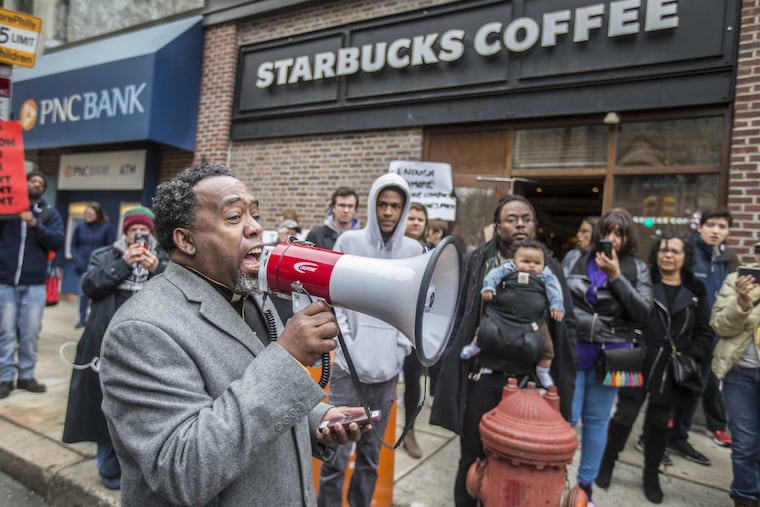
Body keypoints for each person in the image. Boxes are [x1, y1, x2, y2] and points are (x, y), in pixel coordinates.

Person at [99, 164, 366, 506]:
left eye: (254, 215)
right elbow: (182, 469)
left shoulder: (251, 298)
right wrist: (288, 357)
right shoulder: (141, 330)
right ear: (186, 240)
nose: (256, 228)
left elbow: (237, 392)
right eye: (234, 217)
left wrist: (316, 419)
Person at [431, 194, 578, 507]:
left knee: (519, 462)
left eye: (526, 218)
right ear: (497, 226)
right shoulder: (480, 260)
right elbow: (461, 311)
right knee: (471, 456)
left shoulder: (549, 265)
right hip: (483, 375)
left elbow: (566, 324)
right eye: (512, 219)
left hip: (529, 380)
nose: (520, 224)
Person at [317, 173, 422, 507]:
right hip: (349, 372)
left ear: (404, 209)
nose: (388, 212)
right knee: (336, 453)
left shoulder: (414, 249)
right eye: (382, 204)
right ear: (373, 204)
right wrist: (350, 349)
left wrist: (400, 350)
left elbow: (414, 310)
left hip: (386, 375)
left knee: (370, 455)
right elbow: (336, 301)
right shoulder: (350, 243)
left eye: (395, 205)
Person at [595, 233, 712, 503]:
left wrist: (691, 355)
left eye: (674, 251)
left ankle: (651, 475)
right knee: (624, 415)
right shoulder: (644, 280)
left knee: (660, 423)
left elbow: (705, 332)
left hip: (672, 368)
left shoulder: (696, 290)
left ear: (685, 257)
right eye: (663, 250)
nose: (667, 255)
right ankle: (607, 464)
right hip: (639, 359)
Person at [62, 206, 167, 490]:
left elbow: (181, 288)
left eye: (143, 231)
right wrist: (123, 263)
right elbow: (90, 286)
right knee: (105, 404)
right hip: (107, 341)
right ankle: (108, 466)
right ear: (126, 232)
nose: (138, 236)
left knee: (143, 407)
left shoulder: (165, 258)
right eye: (134, 231)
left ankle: (141, 466)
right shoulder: (106, 254)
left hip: (150, 345)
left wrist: (155, 267)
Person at [563, 207, 653, 505]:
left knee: (597, 421)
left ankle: (585, 486)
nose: (612, 239)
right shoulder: (576, 258)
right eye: (608, 232)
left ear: (628, 238)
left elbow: (642, 312)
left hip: (610, 356)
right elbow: (560, 298)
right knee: (567, 419)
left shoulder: (636, 269)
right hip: (574, 351)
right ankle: (557, 478)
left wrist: (616, 276)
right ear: (599, 232)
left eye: (620, 233)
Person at [669, 208, 738, 465]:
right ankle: (656, 437)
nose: (715, 231)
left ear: (728, 231)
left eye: (722, 226)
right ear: (701, 227)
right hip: (685, 334)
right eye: (711, 225)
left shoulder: (727, 261)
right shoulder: (688, 254)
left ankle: (679, 437)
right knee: (672, 387)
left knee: (695, 390)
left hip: (712, 338)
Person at [461, 240, 564, 389]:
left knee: (547, 348)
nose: (532, 266)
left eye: (537, 262)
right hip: (501, 315)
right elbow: (493, 276)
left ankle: (543, 370)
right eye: (526, 261)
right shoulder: (506, 269)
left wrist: (557, 306)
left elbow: (555, 291)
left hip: (533, 321)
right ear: (513, 261)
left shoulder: (547, 276)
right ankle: (475, 345)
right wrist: (488, 288)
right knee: (485, 328)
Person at [0, 171, 64, 398]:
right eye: (32, 181)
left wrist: (35, 224)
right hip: (6, 281)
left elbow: (57, 241)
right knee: (6, 332)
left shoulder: (48, 213)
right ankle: (5, 378)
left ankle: (26, 375)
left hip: (35, 284)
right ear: (23, 182)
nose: (36, 185)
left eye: (41, 183)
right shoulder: (6, 210)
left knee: (30, 332)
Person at [710, 238, 760, 507]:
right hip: (741, 373)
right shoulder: (737, 281)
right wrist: (741, 303)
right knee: (745, 443)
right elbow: (720, 325)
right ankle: (746, 497)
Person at [401, 201, 430, 459]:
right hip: (387, 327)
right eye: (411, 218)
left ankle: (409, 430)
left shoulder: (430, 253)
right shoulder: (391, 249)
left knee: (412, 381)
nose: (416, 222)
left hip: (412, 329)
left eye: (421, 219)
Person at [71, 202, 112, 328]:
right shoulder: (79, 227)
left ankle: (94, 318)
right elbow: (73, 246)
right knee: (83, 293)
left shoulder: (106, 227)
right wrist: (77, 260)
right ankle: (82, 318)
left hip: (99, 267)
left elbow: (109, 247)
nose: (88, 216)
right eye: (86, 213)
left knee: (97, 294)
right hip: (82, 265)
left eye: (91, 214)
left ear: (98, 214)